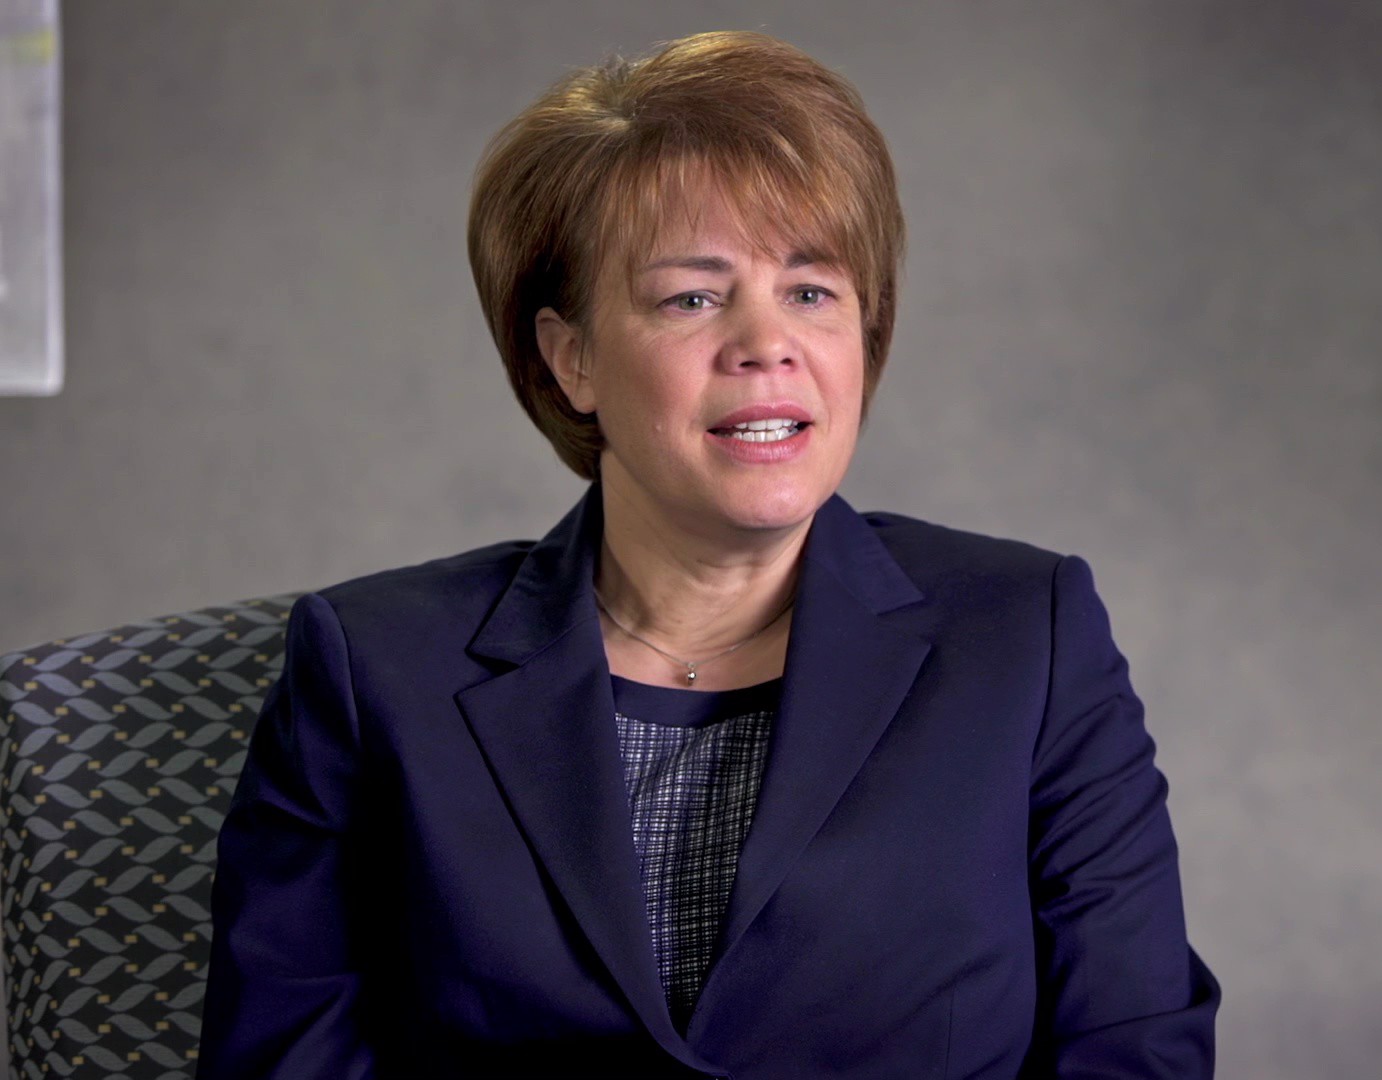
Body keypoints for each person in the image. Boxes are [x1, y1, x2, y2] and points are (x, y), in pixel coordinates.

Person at [199, 30, 1218, 1079]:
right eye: (692, 297)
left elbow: (1134, 1050)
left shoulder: (1028, 637)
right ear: (572, 358)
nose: (766, 343)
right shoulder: (372, 669)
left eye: (812, 291)